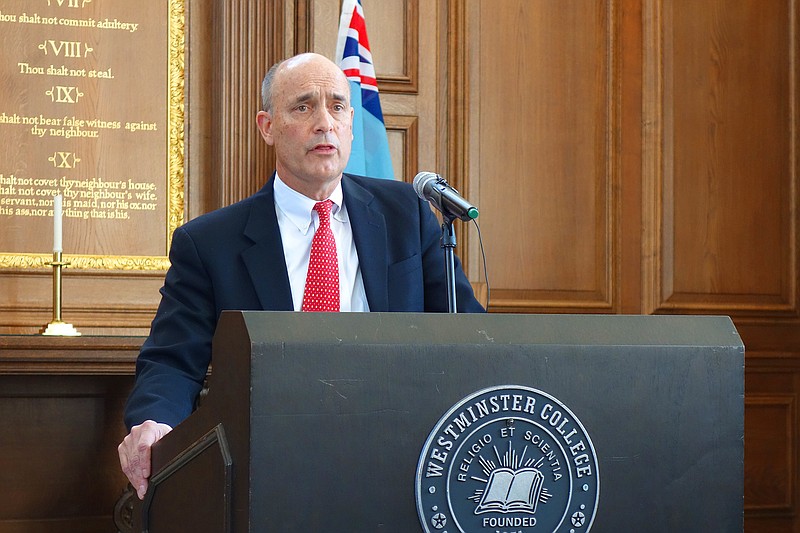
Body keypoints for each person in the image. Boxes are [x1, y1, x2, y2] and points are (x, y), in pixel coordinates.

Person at [118, 52, 484, 500]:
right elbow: (172, 360)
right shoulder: (211, 243)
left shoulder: (407, 215)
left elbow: (469, 335)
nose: (325, 123)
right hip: (272, 463)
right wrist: (154, 423)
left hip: (401, 454)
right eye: (303, 106)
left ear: (351, 122)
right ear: (267, 126)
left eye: (337, 106)